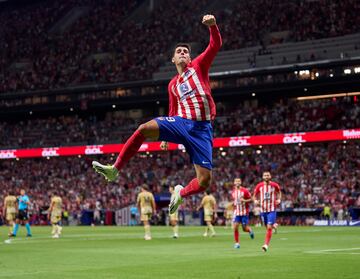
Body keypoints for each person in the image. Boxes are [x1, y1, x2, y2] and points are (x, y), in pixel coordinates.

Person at [92, 14, 222, 215]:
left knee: (204, 181)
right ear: (173, 59)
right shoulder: (172, 85)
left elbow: (215, 45)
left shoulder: (198, 67)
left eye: (185, 52)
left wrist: (212, 26)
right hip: (181, 122)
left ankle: (181, 192)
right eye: (178, 51)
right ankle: (114, 169)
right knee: (144, 128)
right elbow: (172, 110)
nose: (182, 53)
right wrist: (167, 137)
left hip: (201, 129)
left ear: (189, 58)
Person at [253, 171, 281, 252]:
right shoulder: (259, 186)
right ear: (262, 177)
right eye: (265, 175)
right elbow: (254, 195)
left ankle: (266, 245)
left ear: (270, 176)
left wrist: (279, 199)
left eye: (267, 175)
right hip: (263, 210)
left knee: (268, 227)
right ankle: (274, 226)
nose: (266, 176)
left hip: (272, 209)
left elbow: (279, 192)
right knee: (267, 226)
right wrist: (255, 200)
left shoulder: (274, 185)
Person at [231, 178, 254, 249]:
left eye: (239, 181)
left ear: (241, 182)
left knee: (244, 229)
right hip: (237, 212)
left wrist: (245, 200)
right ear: (234, 183)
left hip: (244, 212)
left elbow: (252, 199)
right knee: (235, 227)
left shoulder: (245, 191)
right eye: (236, 181)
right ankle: (237, 243)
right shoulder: (233, 191)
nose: (237, 182)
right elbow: (235, 201)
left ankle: (250, 230)